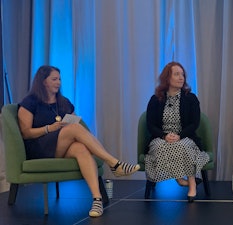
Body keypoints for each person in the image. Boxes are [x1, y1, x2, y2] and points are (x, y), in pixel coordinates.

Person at [18, 65, 140, 217]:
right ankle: (114, 163)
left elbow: (75, 121)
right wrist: (49, 128)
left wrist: (69, 123)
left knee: (80, 148)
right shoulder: (30, 102)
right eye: (54, 79)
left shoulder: (62, 101)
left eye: (60, 79)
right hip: (39, 147)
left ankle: (97, 199)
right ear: (43, 82)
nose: (58, 83)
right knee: (73, 130)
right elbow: (26, 133)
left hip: (60, 146)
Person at [145, 61, 210, 203]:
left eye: (183, 75)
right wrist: (164, 135)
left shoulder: (191, 98)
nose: (181, 78)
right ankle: (180, 179)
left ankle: (191, 184)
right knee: (160, 146)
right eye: (177, 74)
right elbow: (150, 124)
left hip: (185, 136)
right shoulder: (155, 99)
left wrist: (179, 135)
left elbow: (195, 123)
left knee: (183, 146)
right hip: (161, 137)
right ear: (167, 78)